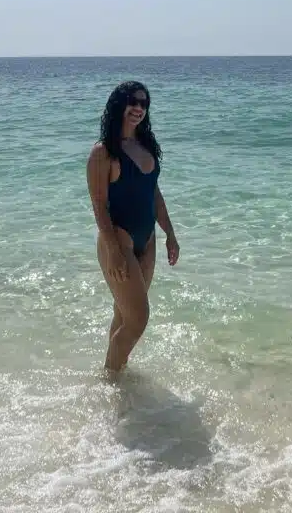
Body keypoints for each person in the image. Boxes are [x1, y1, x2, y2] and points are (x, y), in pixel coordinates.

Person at [86, 80, 179, 372]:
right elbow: (99, 205)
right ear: (119, 105)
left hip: (147, 239)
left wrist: (170, 234)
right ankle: (110, 380)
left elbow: (153, 193)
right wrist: (112, 249)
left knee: (125, 314)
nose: (139, 108)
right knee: (139, 319)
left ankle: (116, 371)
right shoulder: (103, 152)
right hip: (120, 240)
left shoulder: (146, 145)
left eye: (144, 103)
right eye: (133, 102)